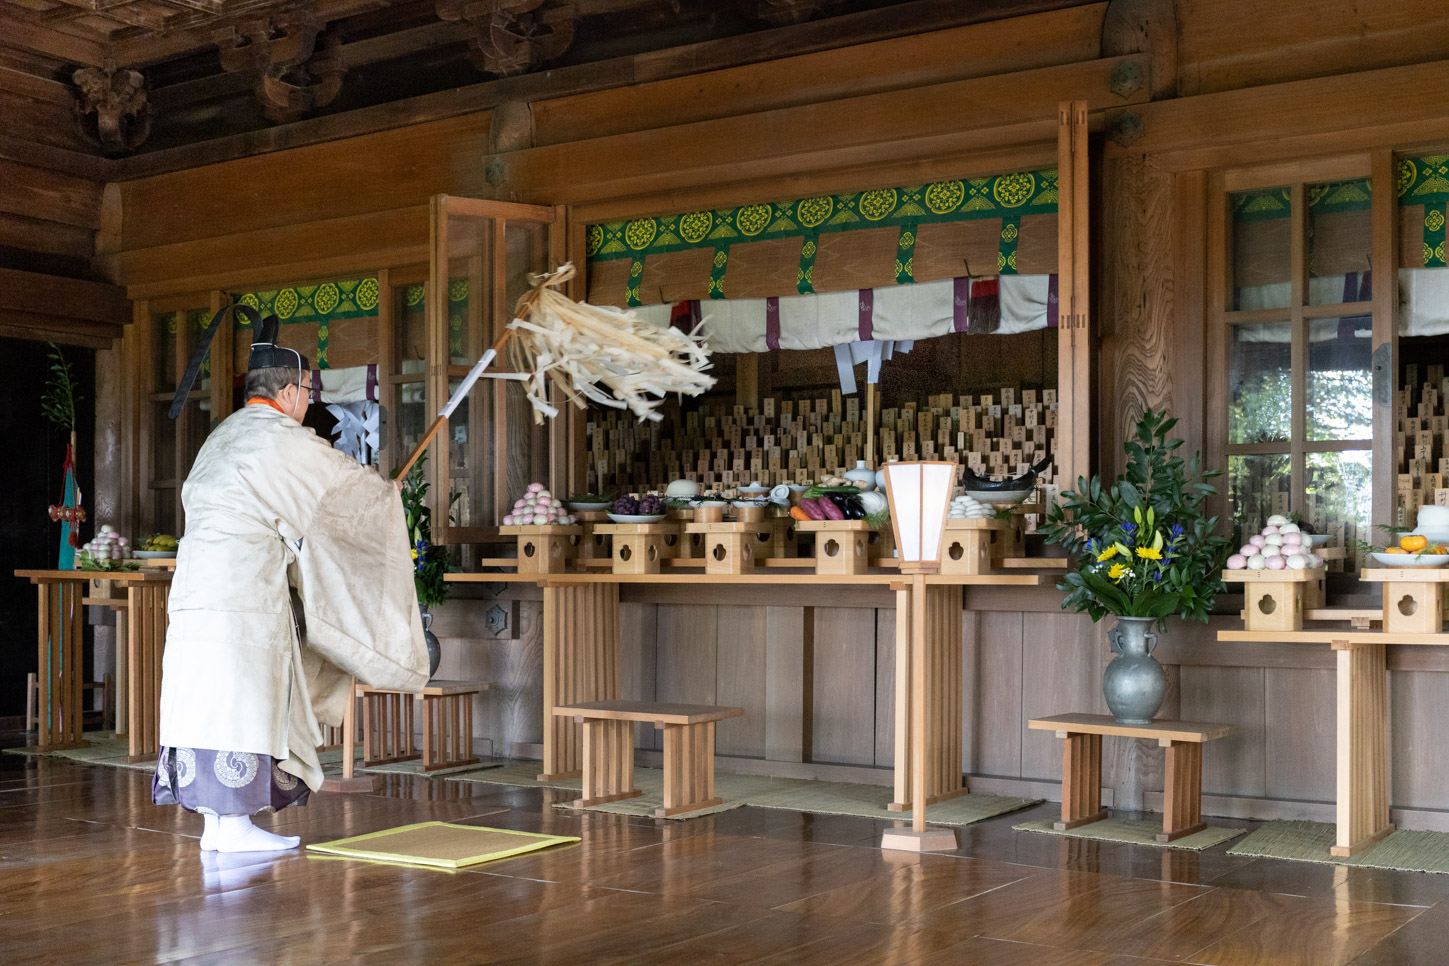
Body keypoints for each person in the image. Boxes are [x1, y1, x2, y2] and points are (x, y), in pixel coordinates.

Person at [153, 315, 428, 853]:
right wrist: (386, 493)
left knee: (206, 701)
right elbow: (343, 498)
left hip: (194, 596)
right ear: (285, 391)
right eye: (307, 390)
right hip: (242, 596)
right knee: (241, 702)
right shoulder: (280, 440)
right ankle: (230, 827)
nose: (309, 401)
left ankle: (217, 826)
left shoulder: (223, 436)